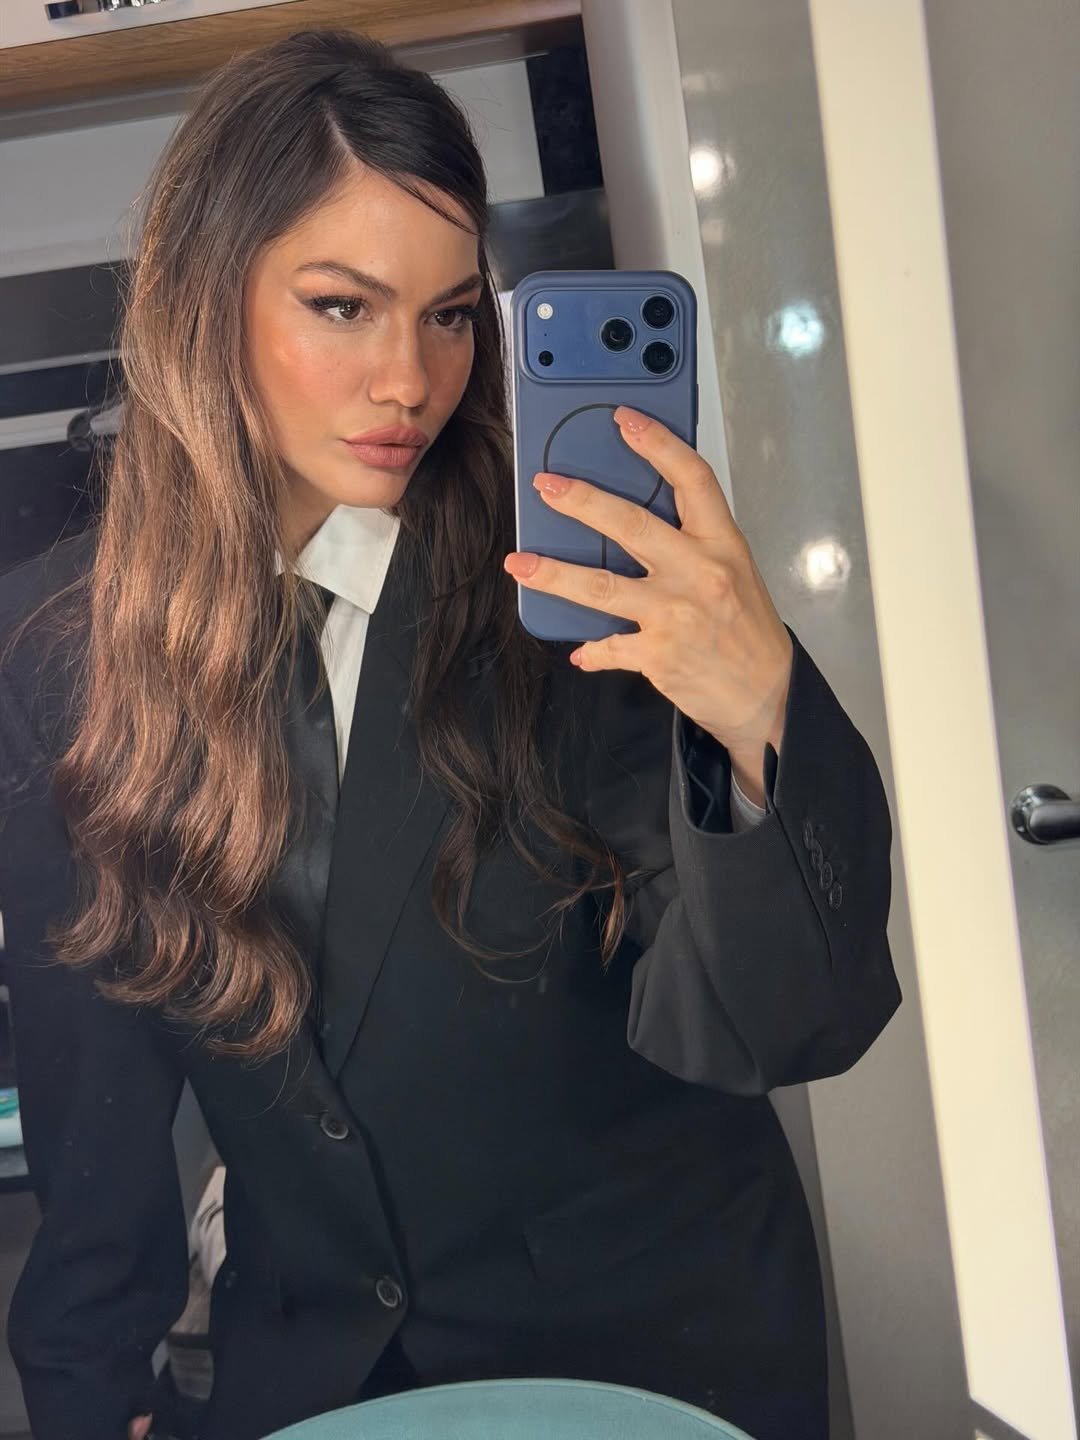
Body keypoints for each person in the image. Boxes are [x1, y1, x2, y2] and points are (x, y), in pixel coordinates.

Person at [0, 28, 901, 1440]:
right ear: (205, 303)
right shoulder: (68, 646)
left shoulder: (571, 597)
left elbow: (785, 1025)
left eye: (450, 315)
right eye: (342, 306)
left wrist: (754, 707)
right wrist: (89, 1397)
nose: (409, 381)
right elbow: (91, 1102)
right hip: (316, 1387)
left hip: (647, 1368)